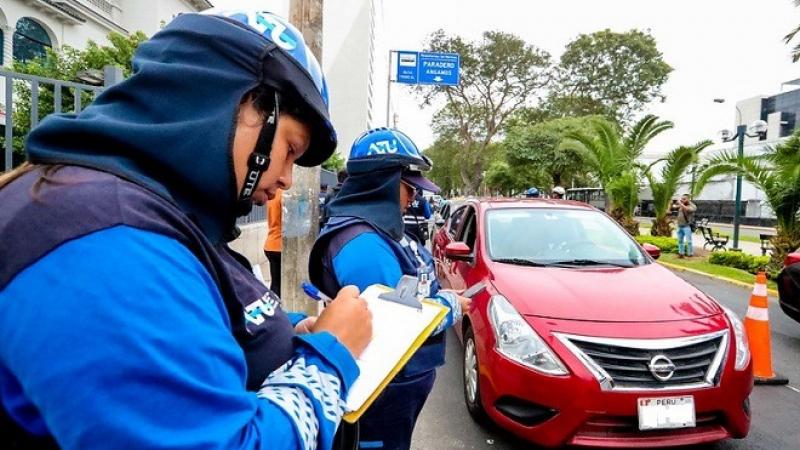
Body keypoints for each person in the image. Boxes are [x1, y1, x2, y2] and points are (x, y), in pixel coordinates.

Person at [0, 9, 372, 450]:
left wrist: (288, 332)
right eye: (289, 150)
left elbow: (203, 317)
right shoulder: (111, 247)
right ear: (234, 101)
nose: (288, 179)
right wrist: (330, 356)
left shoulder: (143, 208)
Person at [309, 128, 470, 450]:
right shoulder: (363, 243)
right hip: (383, 392)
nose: (414, 197)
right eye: (408, 187)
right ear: (382, 182)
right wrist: (448, 306)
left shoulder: (385, 231)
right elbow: (390, 326)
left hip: (403, 385)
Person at [264, 188, 283, 296]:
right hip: (279, 246)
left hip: (270, 243)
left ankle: (273, 306)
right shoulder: (284, 195)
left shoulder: (272, 194)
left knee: (276, 283)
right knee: (280, 285)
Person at [673, 194, 698, 258]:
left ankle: (690, 254)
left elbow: (689, 210)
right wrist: (672, 202)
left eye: (684, 199)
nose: (682, 200)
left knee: (689, 241)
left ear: (688, 199)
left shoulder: (693, 206)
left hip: (687, 226)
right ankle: (681, 253)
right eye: (682, 199)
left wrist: (680, 204)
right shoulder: (681, 205)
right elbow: (673, 207)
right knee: (680, 241)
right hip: (679, 226)